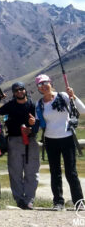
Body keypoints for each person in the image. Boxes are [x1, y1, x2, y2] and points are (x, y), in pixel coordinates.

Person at [34, 74, 85, 211]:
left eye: (45, 83)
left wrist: (73, 96)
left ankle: (79, 202)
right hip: (50, 141)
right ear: (38, 88)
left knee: (71, 172)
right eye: (40, 84)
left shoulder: (63, 96)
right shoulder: (39, 104)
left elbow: (82, 110)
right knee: (54, 172)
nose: (43, 86)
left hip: (67, 138)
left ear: (50, 83)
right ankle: (58, 202)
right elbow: (39, 125)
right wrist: (31, 125)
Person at [0, 82, 39, 210]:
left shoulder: (32, 105)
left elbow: (39, 123)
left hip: (31, 140)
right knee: (15, 172)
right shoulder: (10, 105)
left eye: (21, 89)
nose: (19, 92)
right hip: (14, 141)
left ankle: (29, 200)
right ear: (13, 93)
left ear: (25, 90)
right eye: (16, 90)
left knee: (32, 172)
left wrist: (31, 128)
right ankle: (19, 200)